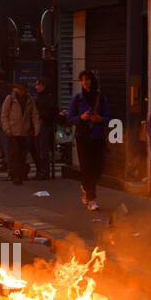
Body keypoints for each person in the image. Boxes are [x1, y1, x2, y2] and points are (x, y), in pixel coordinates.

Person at [67, 69, 111, 210]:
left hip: (97, 137)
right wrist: (81, 117)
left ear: (92, 81)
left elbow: (109, 117)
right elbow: (69, 118)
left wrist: (100, 119)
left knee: (98, 168)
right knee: (87, 168)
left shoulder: (101, 98)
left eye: (87, 79)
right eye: (83, 80)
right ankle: (92, 199)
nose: (85, 82)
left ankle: (85, 186)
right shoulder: (78, 99)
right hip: (83, 137)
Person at [0, 80, 40, 186]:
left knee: (22, 155)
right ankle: (15, 176)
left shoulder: (29, 100)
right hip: (13, 132)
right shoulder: (10, 99)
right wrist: (7, 129)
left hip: (24, 132)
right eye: (19, 88)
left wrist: (36, 129)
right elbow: (4, 115)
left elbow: (34, 115)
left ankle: (20, 175)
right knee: (15, 154)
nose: (21, 91)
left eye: (23, 89)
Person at [33, 77, 58, 180]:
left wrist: (40, 115)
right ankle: (42, 171)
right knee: (38, 149)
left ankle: (44, 172)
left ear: (43, 86)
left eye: (38, 85)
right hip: (39, 125)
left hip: (45, 125)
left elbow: (51, 112)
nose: (36, 87)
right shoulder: (39, 97)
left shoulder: (48, 97)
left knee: (43, 149)